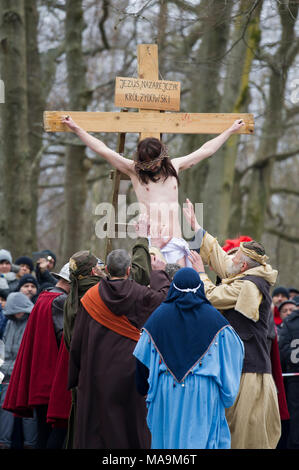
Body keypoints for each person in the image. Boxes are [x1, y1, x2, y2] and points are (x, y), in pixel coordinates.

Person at [62, 115, 245, 266]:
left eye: (155, 162)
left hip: (176, 241)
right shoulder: (134, 171)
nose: (152, 167)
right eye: (148, 164)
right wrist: (77, 128)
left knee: (181, 288)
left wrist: (229, 131)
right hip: (152, 243)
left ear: (162, 157)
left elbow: (206, 150)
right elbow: (103, 150)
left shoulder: (174, 166)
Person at [184, 198, 281, 449]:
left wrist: (201, 275)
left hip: (250, 373)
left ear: (244, 264)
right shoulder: (246, 274)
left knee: (245, 435)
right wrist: (196, 228)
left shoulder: (249, 283)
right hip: (239, 367)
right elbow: (224, 264)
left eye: (235, 256)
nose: (230, 259)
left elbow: (213, 297)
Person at [68, 244, 170, 449]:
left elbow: (77, 341)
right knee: (129, 424)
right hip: (131, 371)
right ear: (129, 270)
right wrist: (158, 273)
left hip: (96, 371)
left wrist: (76, 374)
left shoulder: (90, 297)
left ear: (106, 269)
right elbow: (165, 299)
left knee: (99, 427)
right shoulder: (141, 294)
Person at [133, 267, 244, 449]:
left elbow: (141, 356)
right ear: (200, 288)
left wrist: (143, 386)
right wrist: (226, 389)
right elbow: (235, 352)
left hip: (167, 389)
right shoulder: (215, 320)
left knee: (168, 443)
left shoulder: (158, 317)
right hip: (203, 390)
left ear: (173, 287)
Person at [2, 263, 71, 449]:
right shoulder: (60, 300)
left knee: (43, 433)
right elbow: (65, 341)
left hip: (40, 378)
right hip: (53, 381)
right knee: (56, 434)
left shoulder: (43, 298)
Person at [0, 292, 38, 449]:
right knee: (4, 408)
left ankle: (30, 444)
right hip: (8, 375)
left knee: (27, 412)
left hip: (25, 375)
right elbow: (6, 351)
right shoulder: (10, 323)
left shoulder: (32, 322)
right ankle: (4, 442)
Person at [278, 303, 299, 448]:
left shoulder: (289, 322)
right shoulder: (290, 321)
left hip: (293, 376)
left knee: (295, 417)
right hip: (294, 376)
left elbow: (283, 349)